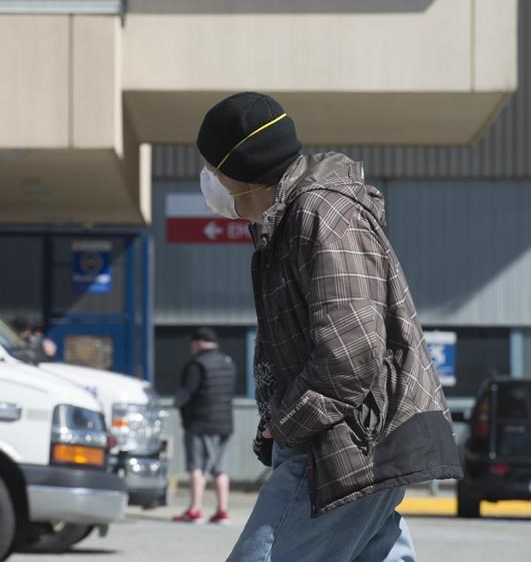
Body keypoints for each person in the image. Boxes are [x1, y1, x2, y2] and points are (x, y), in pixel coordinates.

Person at [195, 92, 462, 561]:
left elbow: (352, 352)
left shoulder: (321, 214)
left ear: (238, 168)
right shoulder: (288, 222)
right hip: (350, 440)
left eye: (210, 167)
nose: (207, 180)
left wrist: (285, 426)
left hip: (343, 444)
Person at [172, 327, 236, 525]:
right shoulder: (228, 362)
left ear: (199, 343)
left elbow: (185, 394)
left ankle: (194, 510)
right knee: (220, 469)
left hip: (200, 423)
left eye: (192, 343)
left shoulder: (196, 364)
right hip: (225, 423)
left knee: (197, 467)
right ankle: (222, 511)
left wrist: (177, 403)